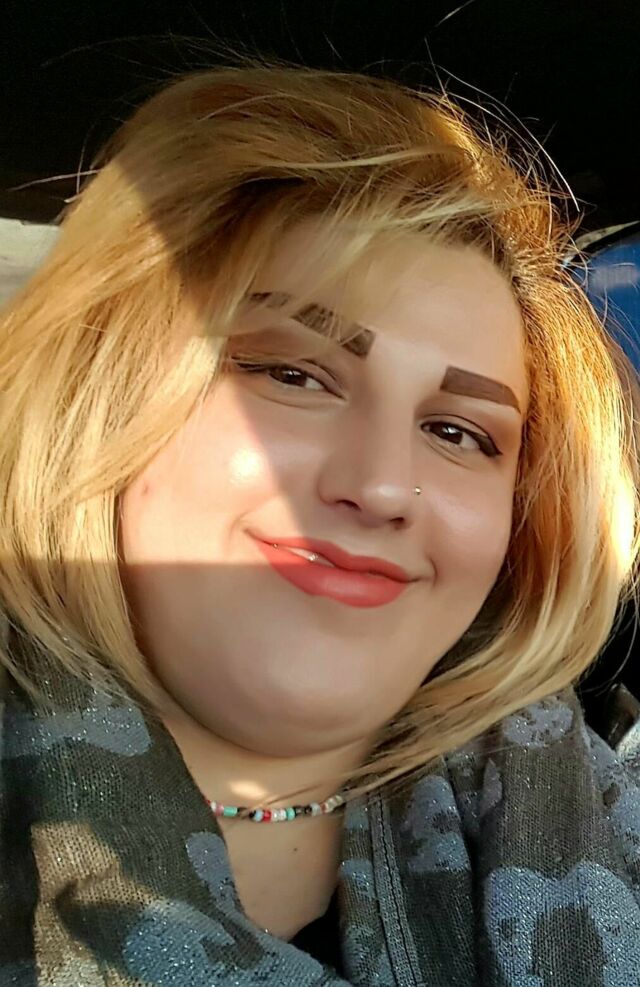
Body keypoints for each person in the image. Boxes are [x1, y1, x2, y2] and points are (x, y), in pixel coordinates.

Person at [1, 60, 640, 987]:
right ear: (98, 389)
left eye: (457, 432)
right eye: (293, 374)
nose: (380, 486)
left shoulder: (606, 822)